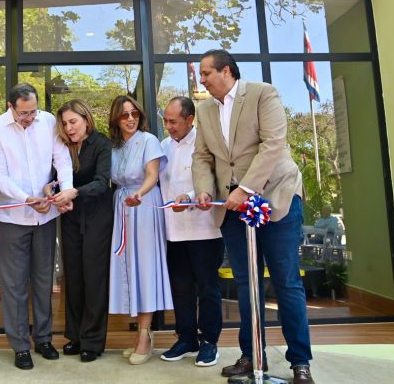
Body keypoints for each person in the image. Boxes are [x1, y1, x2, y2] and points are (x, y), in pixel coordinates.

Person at [192, 49, 314, 384]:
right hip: (233, 209)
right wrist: (204, 189)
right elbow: (202, 156)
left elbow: (273, 144)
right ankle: (251, 356)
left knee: (286, 283)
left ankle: (300, 362)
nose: (201, 79)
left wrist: (245, 189)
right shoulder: (204, 109)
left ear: (226, 71)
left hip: (275, 198)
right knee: (247, 286)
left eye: (205, 73)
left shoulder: (263, 94)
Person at [0, 83, 76, 370]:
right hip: (12, 216)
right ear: (11, 107)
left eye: (33, 111)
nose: (29, 117)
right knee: (13, 285)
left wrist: (66, 190)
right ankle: (20, 345)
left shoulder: (48, 121)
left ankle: (44, 338)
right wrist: (26, 199)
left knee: (43, 280)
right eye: (24, 113)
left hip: (46, 215)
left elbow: (61, 160)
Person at [158, 97, 225, 368]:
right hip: (173, 231)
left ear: (190, 119)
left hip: (205, 229)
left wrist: (190, 196)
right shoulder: (162, 147)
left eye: (173, 121)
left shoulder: (206, 142)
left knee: (208, 288)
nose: (169, 126)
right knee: (181, 287)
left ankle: (209, 341)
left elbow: (217, 180)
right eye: (166, 121)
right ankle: (186, 338)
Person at [107, 95, 172, 366]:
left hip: (143, 206)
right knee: (128, 268)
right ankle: (139, 335)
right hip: (122, 206)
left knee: (144, 268)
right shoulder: (115, 147)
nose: (130, 118)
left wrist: (140, 196)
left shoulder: (148, 141)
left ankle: (145, 334)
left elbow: (152, 175)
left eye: (134, 113)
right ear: (116, 119)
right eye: (124, 114)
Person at [52, 99, 113, 363]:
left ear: (86, 119)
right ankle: (74, 337)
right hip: (70, 219)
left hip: (97, 218)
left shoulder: (102, 144)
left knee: (94, 279)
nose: (69, 128)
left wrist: (74, 191)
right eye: (65, 124)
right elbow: (54, 178)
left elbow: (102, 182)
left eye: (73, 122)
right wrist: (51, 189)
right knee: (74, 278)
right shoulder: (63, 147)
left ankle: (93, 341)